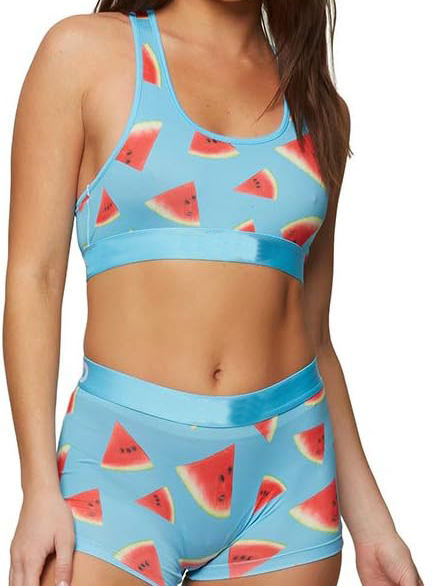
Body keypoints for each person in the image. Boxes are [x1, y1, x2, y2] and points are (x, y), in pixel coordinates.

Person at [3, 1, 424, 586]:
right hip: (117, 470)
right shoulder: (83, 55)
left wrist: (373, 525)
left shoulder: (317, 108)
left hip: (287, 481)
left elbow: (313, 333)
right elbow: (36, 278)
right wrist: (37, 487)